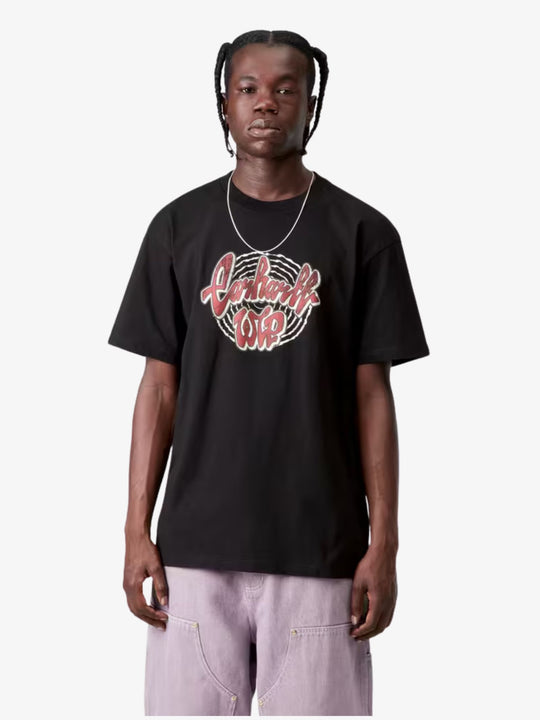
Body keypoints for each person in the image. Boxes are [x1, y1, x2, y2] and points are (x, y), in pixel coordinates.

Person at [107, 29, 430, 716]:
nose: (265, 103)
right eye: (248, 88)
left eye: (287, 89)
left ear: (312, 104)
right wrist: (136, 529)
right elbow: (158, 387)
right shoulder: (177, 227)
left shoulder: (363, 233)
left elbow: (373, 396)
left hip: (321, 549)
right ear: (223, 103)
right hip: (194, 552)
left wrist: (386, 543)